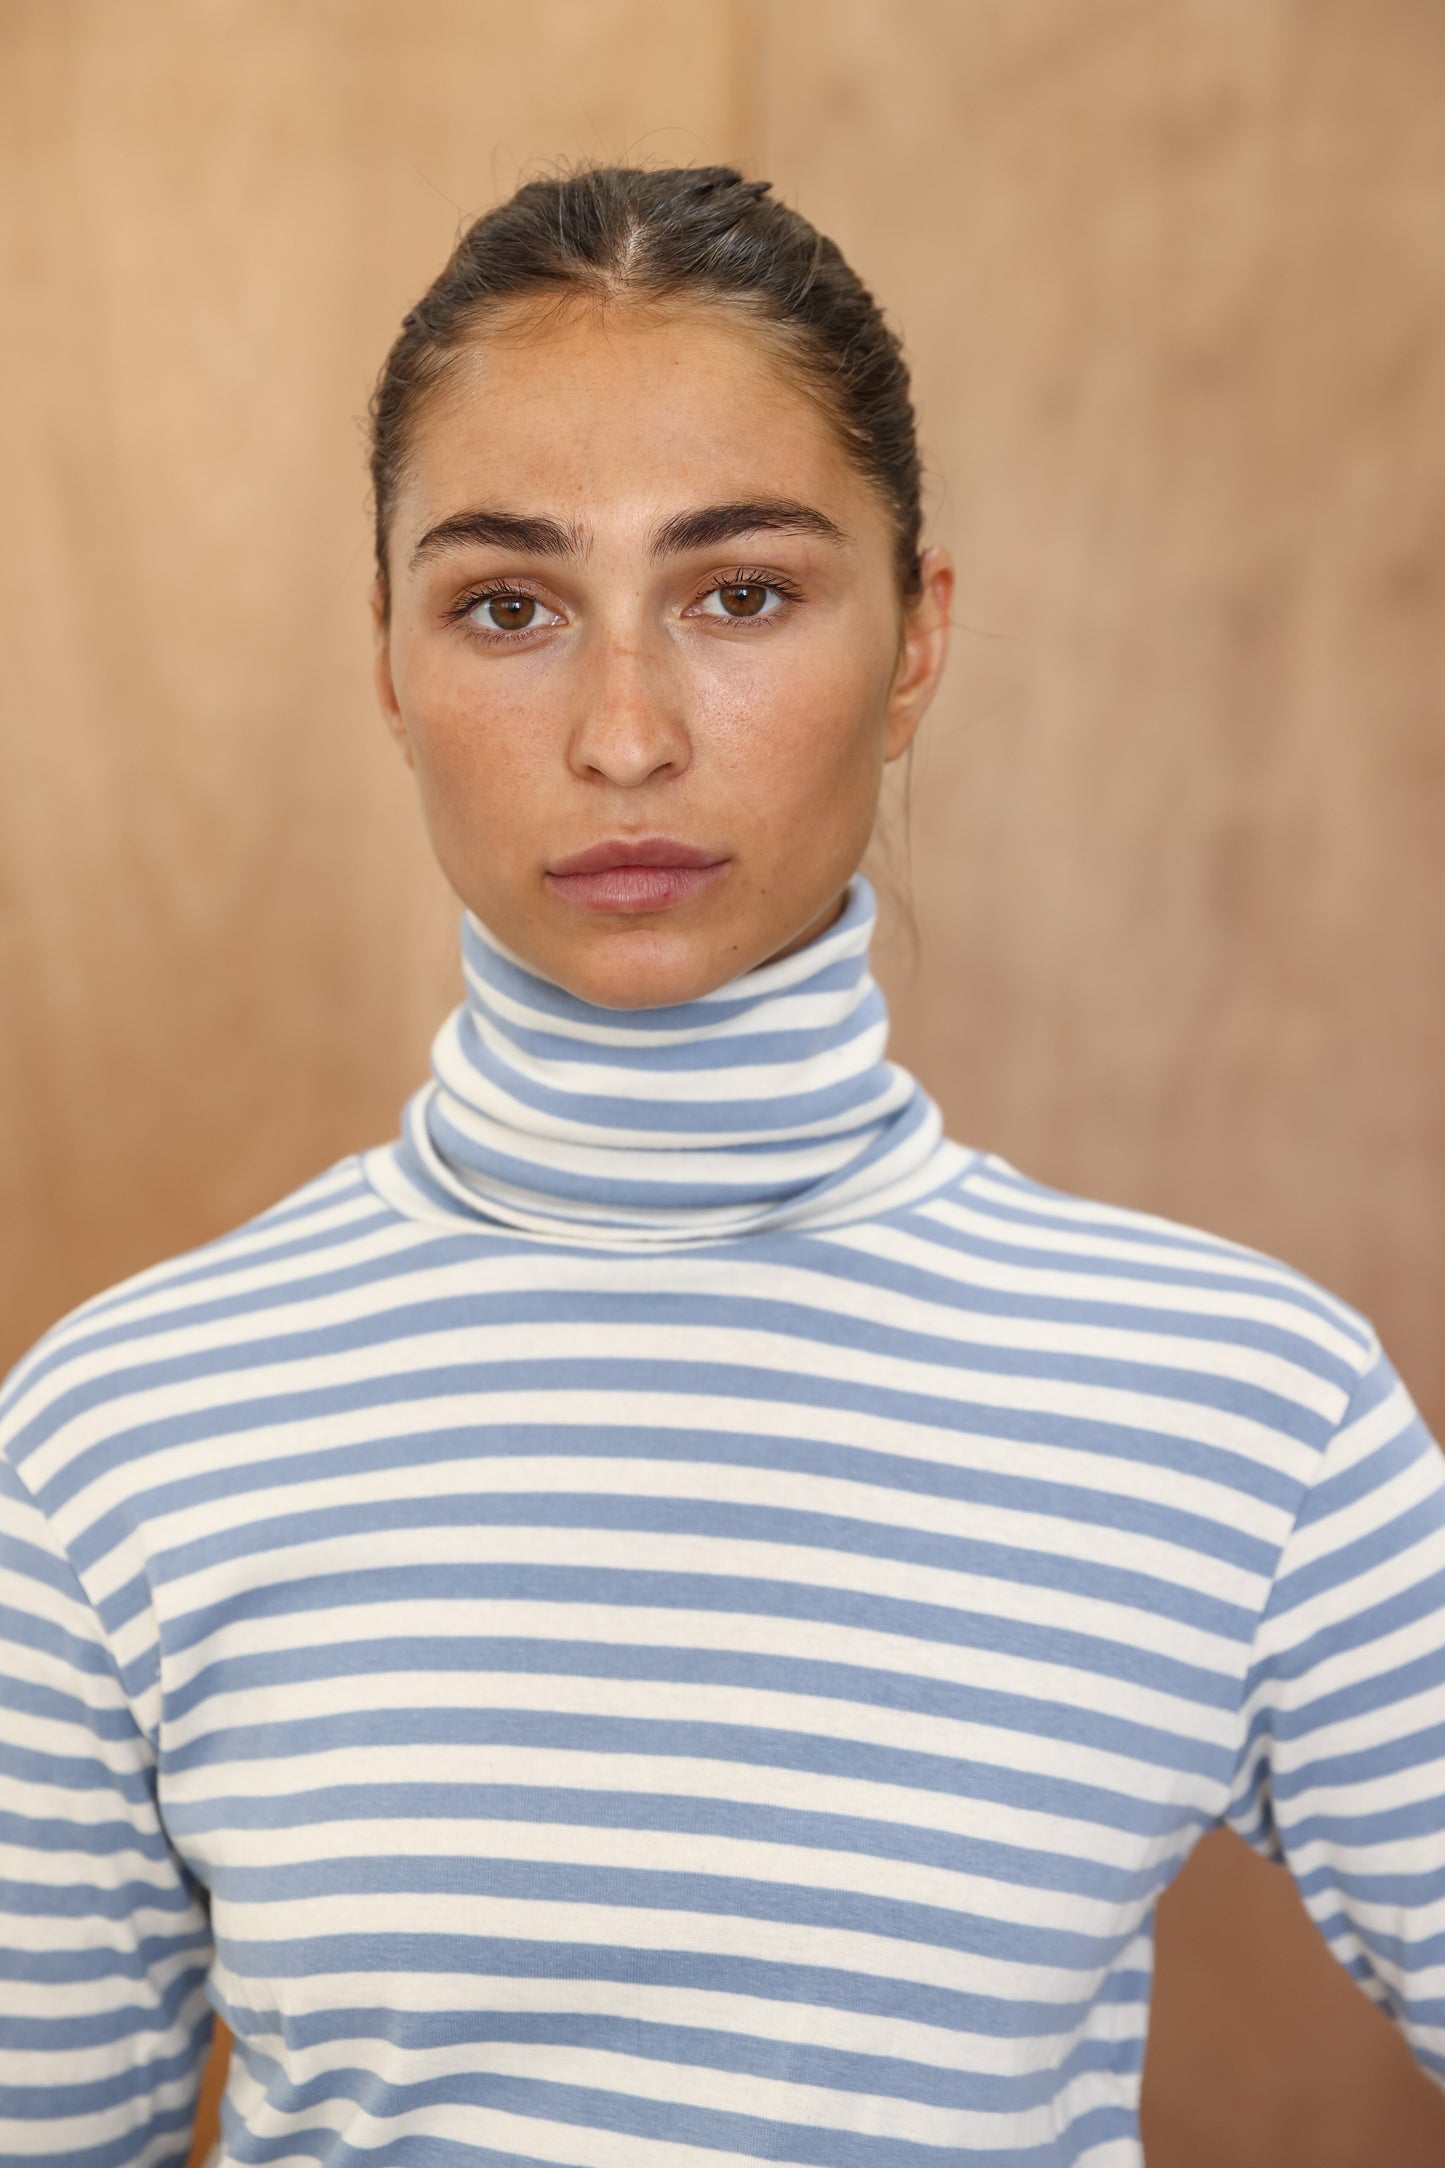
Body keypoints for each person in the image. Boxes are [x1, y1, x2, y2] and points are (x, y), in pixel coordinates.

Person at [1, 162, 1442, 2168]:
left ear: (915, 643)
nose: (625, 734)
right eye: (508, 606)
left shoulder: (1245, 1411)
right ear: (391, 667)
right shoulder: (116, 1436)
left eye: (740, 592)